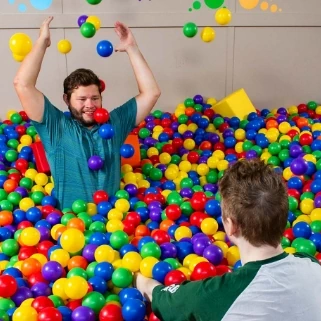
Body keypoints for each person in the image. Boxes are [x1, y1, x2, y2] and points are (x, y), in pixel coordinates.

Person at [134, 159, 321, 321]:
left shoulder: (216, 295)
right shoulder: (312, 264)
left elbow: (160, 297)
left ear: (231, 226)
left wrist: (137, 278)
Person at [13, 17, 160, 209]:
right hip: (71, 227)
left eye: (95, 98)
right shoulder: (55, 127)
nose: (90, 105)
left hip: (112, 226)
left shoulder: (113, 124)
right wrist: (42, 43)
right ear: (66, 100)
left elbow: (152, 93)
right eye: (82, 100)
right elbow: (22, 84)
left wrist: (132, 48)